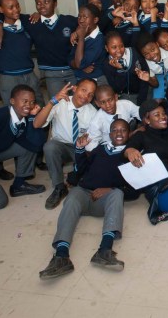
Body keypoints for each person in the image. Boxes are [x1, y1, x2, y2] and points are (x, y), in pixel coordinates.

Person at [39, 119, 133, 279]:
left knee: (118, 194)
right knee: (72, 196)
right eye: (115, 130)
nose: (119, 133)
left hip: (105, 200)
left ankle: (104, 250)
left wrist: (110, 189)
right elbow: (82, 168)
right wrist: (80, 150)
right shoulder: (100, 149)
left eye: (123, 130)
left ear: (129, 134)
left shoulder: (129, 155)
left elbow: (134, 189)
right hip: (84, 192)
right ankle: (61, 256)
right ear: (109, 134)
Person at [33, 79, 98, 210]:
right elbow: (36, 124)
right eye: (83, 90)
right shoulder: (59, 103)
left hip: (80, 148)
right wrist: (52, 102)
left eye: (90, 95)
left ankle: (76, 174)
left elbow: (93, 141)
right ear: (74, 88)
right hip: (61, 146)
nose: (85, 96)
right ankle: (59, 187)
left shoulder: (92, 112)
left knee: (89, 179)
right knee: (50, 147)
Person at [0, 0, 45, 107]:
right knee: (13, 110)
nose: (16, 9)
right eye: (11, 7)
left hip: (29, 75)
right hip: (8, 78)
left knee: (38, 106)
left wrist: (38, 14)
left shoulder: (26, 22)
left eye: (17, 5)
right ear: (0, 9)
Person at [86, 85, 140, 152]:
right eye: (103, 102)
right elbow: (90, 147)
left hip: (129, 142)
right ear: (97, 103)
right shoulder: (96, 122)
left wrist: (141, 127)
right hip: (110, 149)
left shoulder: (126, 105)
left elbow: (142, 114)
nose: (108, 105)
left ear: (116, 97)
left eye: (110, 100)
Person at [102, 31, 150, 105]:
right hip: (124, 97)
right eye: (114, 47)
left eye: (121, 46)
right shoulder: (106, 65)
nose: (119, 50)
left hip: (144, 93)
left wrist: (141, 100)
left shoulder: (134, 52)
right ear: (106, 48)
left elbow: (146, 73)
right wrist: (119, 70)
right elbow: (117, 88)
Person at [137, 33, 168, 99]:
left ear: (157, 44)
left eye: (153, 50)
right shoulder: (145, 63)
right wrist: (149, 79)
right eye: (146, 54)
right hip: (159, 77)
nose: (152, 55)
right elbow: (156, 84)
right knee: (158, 100)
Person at [70, 4, 108, 85]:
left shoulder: (98, 39)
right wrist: (81, 66)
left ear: (95, 20)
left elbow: (80, 63)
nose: (81, 20)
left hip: (95, 81)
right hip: (81, 79)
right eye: (79, 16)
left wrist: (81, 38)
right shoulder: (80, 34)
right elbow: (69, 59)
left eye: (85, 17)